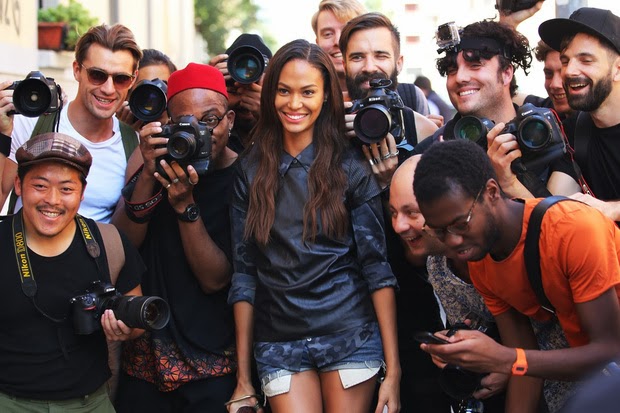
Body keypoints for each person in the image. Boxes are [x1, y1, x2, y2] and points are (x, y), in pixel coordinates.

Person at [227, 39, 400, 413]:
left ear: (325, 97)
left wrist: (395, 370)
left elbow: (377, 267)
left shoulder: (351, 166)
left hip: (350, 334)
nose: (294, 104)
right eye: (284, 91)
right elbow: (244, 274)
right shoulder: (249, 170)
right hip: (278, 341)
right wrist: (243, 379)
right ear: (270, 92)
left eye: (307, 92)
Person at [413, 139, 620, 413]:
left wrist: (505, 359)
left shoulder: (574, 230)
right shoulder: (481, 259)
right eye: (439, 231)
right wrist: (508, 360)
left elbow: (608, 349)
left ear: (492, 192)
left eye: (460, 224)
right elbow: (524, 365)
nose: (452, 242)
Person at [389, 156, 575, 412]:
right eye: (393, 213)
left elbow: (604, 347)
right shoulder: (439, 266)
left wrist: (506, 362)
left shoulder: (525, 241)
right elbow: (508, 343)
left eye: (412, 212)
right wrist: (462, 350)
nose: (398, 226)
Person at [112, 62, 238, 412]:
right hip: (147, 357)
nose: (200, 132)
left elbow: (216, 280)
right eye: (187, 122)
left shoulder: (245, 177)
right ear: (167, 123)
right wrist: (150, 174)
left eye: (210, 120)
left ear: (230, 120)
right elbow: (122, 247)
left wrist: (185, 206)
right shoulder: (155, 163)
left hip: (214, 362)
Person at [0, 132, 145, 411]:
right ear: (19, 184)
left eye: (66, 189)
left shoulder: (108, 242)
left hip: (90, 403)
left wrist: (126, 328)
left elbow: (137, 318)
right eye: (40, 186)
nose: (52, 200)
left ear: (82, 191)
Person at [413, 19, 581, 200]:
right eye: (452, 70)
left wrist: (511, 180)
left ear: (507, 73)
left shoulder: (554, 133)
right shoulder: (433, 151)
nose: (460, 77)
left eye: (475, 65)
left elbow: (565, 222)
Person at [0, 24, 142, 222]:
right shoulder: (31, 124)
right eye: (97, 75)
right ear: (77, 70)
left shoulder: (132, 143)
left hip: (96, 252)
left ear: (133, 79)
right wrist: (2, 135)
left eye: (121, 79)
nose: (108, 89)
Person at [538, 7, 620, 221]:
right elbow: (554, 215)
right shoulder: (574, 131)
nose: (569, 71)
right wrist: (510, 181)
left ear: (618, 68)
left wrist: (612, 209)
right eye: (566, 61)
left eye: (586, 60)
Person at [209, 34, 273, 153]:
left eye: (255, 90)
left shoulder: (286, 127)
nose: (245, 100)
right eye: (234, 90)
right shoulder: (217, 130)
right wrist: (207, 90)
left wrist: (269, 117)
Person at [116, 48, 177, 131]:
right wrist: (124, 135)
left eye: (163, 87)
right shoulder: (111, 137)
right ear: (128, 96)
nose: (153, 99)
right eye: (145, 91)